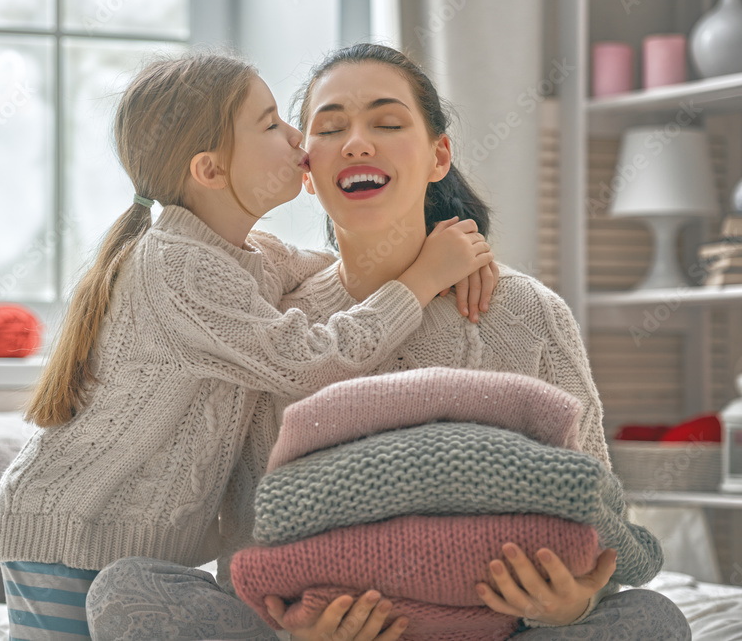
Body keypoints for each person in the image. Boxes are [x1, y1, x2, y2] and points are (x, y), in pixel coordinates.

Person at [84, 44, 692, 641]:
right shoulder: (275, 320)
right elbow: (252, 529)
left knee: (652, 620)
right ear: (307, 169)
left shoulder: (527, 311)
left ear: (439, 155)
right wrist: (297, 628)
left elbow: (593, 509)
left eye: (387, 121)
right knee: (126, 589)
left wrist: (571, 604)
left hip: (496, 626)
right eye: (331, 127)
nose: (357, 142)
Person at [0, 50, 496, 641]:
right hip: (70, 528)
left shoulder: (252, 256)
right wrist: (423, 280)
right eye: (272, 124)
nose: (297, 136)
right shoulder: (176, 267)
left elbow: (342, 269)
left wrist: (451, 247)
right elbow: (311, 361)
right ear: (210, 170)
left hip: (129, 547)